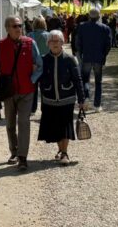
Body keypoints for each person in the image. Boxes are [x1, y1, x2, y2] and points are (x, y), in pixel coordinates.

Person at [0, 16, 42, 170]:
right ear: (7, 28)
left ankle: (23, 157)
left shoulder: (30, 43)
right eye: (15, 26)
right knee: (10, 124)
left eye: (20, 25)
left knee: (23, 123)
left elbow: (40, 64)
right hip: (8, 91)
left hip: (26, 91)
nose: (18, 28)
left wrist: (32, 79)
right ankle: (14, 151)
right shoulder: (0, 46)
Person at [37, 30, 86, 165]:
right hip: (49, 99)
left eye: (57, 40)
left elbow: (78, 79)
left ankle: (64, 153)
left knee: (65, 126)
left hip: (67, 99)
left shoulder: (70, 59)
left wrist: (81, 100)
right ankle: (61, 150)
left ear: (62, 43)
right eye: (52, 41)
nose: (54, 43)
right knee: (55, 128)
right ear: (48, 44)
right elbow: (37, 79)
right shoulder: (43, 60)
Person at [76, 8, 112, 111]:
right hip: (98, 57)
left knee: (85, 79)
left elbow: (78, 42)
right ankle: (97, 105)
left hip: (86, 56)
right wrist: (104, 54)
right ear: (98, 16)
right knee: (98, 81)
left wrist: (80, 53)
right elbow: (108, 44)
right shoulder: (105, 28)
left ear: (89, 16)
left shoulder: (82, 27)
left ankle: (86, 97)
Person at [28, 16, 51, 113]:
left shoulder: (29, 35)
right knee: (44, 87)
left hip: (33, 64)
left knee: (33, 87)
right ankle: (44, 107)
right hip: (46, 63)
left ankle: (32, 108)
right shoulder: (49, 35)